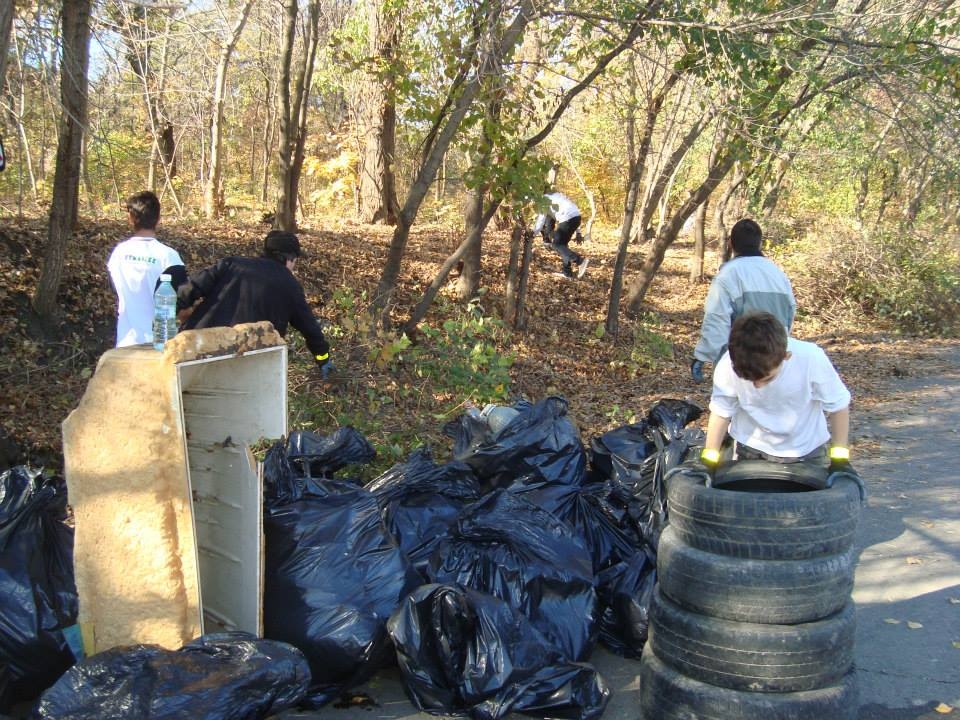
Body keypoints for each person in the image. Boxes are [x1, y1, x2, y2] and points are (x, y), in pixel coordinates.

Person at [698, 312, 853, 477]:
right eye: (749, 379)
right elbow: (721, 412)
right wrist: (709, 459)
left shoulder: (811, 359)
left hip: (808, 452)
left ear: (786, 356)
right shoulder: (726, 365)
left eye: (767, 379)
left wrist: (840, 458)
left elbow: (838, 407)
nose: (757, 386)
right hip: (750, 450)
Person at [177, 230, 332, 375]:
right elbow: (310, 329)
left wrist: (175, 312)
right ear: (290, 259)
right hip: (248, 365)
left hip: (198, 349)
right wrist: (323, 359)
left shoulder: (231, 264)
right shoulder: (290, 285)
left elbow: (190, 288)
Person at [690, 218, 795, 382]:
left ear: (731, 243)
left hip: (739, 362)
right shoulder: (778, 274)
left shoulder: (728, 275)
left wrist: (703, 355)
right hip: (775, 361)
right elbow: (789, 315)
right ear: (760, 243)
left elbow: (717, 319)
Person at [108, 190, 186, 347]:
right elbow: (183, 304)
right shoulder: (169, 257)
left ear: (130, 218)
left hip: (125, 343)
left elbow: (115, 289)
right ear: (158, 219)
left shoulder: (118, 253)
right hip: (162, 346)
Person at [532, 191, 589, 279]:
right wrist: (578, 232)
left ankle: (579, 261)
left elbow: (540, 222)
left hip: (567, 219)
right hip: (577, 217)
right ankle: (567, 273)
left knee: (556, 245)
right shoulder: (558, 196)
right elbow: (572, 211)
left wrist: (532, 235)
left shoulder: (543, 201)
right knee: (563, 245)